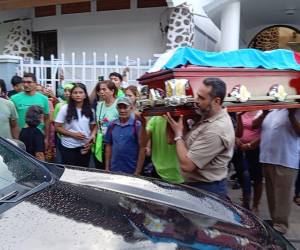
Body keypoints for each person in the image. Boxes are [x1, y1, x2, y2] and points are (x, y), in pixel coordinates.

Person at [165, 78, 235, 197]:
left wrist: (178, 135)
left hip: (208, 190)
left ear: (216, 101)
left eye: (202, 98)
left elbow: (187, 165)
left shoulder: (216, 129)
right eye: (197, 96)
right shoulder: (205, 115)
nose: (196, 101)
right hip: (197, 186)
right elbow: (170, 140)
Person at [253, 108, 300, 234]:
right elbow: (254, 126)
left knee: (283, 195)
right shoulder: (271, 111)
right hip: (268, 158)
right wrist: (264, 113)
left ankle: (281, 225)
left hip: (285, 159)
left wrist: (291, 114)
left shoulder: (296, 111)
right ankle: (275, 221)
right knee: (271, 193)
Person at [55, 83, 96, 168]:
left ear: (85, 95)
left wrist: (90, 142)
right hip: (68, 146)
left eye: (81, 92)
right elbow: (57, 127)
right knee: (70, 171)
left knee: (83, 171)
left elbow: (92, 128)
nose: (78, 95)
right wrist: (73, 134)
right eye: (75, 92)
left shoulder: (91, 110)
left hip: (84, 147)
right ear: (71, 95)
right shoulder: (65, 109)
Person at [104, 97, 145, 175]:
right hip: (114, 168)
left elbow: (142, 149)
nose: (122, 110)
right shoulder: (112, 125)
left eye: (125, 107)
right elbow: (108, 146)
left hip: (131, 169)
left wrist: (138, 171)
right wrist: (106, 167)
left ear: (131, 108)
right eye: (120, 107)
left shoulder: (137, 125)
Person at [11, 73, 50, 150]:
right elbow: (12, 122)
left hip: (38, 136)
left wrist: (46, 138)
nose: (25, 84)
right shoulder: (14, 98)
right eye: (24, 82)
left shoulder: (43, 99)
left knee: (38, 159)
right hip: (21, 136)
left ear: (35, 83)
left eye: (29, 82)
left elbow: (47, 119)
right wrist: (16, 140)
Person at [235, 111, 263, 212]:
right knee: (243, 175)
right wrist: (236, 139)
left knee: (257, 178)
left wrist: (250, 145)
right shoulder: (241, 111)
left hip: (255, 149)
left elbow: (264, 133)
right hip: (241, 148)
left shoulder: (260, 112)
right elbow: (237, 131)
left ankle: (255, 205)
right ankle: (245, 202)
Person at [144, 116, 184, 183]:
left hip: (180, 174)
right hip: (159, 171)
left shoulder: (182, 118)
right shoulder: (155, 119)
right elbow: (143, 142)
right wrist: (143, 123)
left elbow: (170, 140)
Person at [94, 80, 119, 168]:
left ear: (112, 91)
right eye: (100, 90)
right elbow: (98, 124)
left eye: (104, 89)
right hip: (101, 142)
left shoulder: (119, 105)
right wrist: (93, 135)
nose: (101, 92)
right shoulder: (99, 105)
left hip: (114, 143)